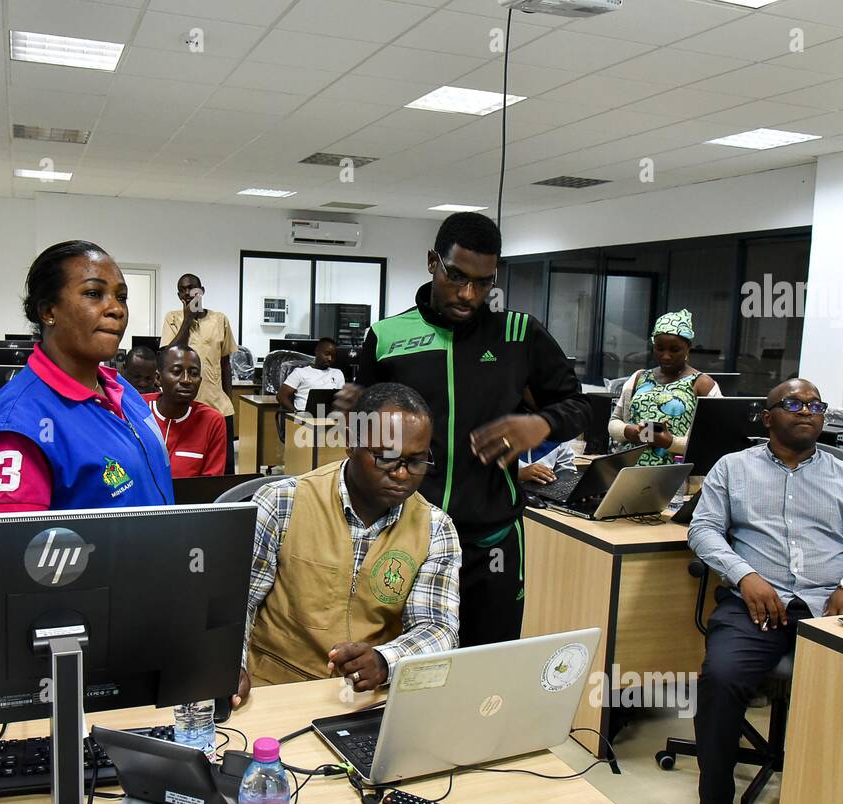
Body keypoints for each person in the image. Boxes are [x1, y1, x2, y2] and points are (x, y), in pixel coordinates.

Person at [341, 212, 589, 647]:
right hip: (406, 535)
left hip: (491, 540)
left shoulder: (518, 334)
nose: (468, 294)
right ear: (433, 261)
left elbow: (580, 406)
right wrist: (352, 415)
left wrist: (540, 423)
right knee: (398, 666)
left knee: (486, 667)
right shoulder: (386, 336)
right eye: (456, 276)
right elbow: (363, 432)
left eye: (483, 282)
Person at [686, 378, 843, 804]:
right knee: (719, 682)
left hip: (831, 608)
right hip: (757, 609)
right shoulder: (733, 469)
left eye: (815, 405)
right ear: (768, 417)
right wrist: (745, 575)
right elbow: (702, 530)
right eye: (793, 404)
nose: (807, 411)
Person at [233, 383, 460, 707]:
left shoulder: (435, 529)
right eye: (386, 458)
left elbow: (438, 628)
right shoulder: (284, 502)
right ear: (351, 443)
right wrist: (231, 666)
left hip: (365, 698)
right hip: (274, 688)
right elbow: (238, 602)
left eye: (417, 461)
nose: (401, 474)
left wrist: (384, 661)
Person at [0, 240, 174, 512]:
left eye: (121, 296)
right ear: (48, 311)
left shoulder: (122, 388)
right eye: (94, 293)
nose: (116, 309)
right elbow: (18, 548)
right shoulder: (18, 423)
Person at [608, 309, 720, 466]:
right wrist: (630, 432)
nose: (666, 356)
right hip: (629, 471)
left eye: (675, 350)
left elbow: (715, 440)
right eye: (660, 348)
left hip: (677, 478)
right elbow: (614, 421)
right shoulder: (639, 377)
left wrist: (671, 443)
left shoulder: (703, 384)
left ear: (688, 347)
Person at [162, 273, 238, 472]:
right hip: (186, 408)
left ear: (201, 291)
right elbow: (169, 355)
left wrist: (228, 399)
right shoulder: (172, 318)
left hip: (218, 406)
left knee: (225, 466)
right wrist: (187, 320)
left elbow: (225, 364)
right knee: (189, 465)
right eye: (183, 290)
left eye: (192, 288)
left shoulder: (220, 319)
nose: (188, 293)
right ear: (179, 295)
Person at [144, 344, 228, 478]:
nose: (186, 380)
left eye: (194, 374)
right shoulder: (137, 409)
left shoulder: (212, 421)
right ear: (158, 378)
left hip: (190, 498)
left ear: (200, 381)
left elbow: (210, 485)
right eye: (177, 372)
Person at [277, 338, 344, 413]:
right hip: (304, 416)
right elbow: (281, 396)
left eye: (333, 356)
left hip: (328, 417)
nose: (330, 359)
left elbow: (341, 400)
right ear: (317, 352)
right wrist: (296, 414)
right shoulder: (300, 372)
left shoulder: (337, 373)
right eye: (327, 354)